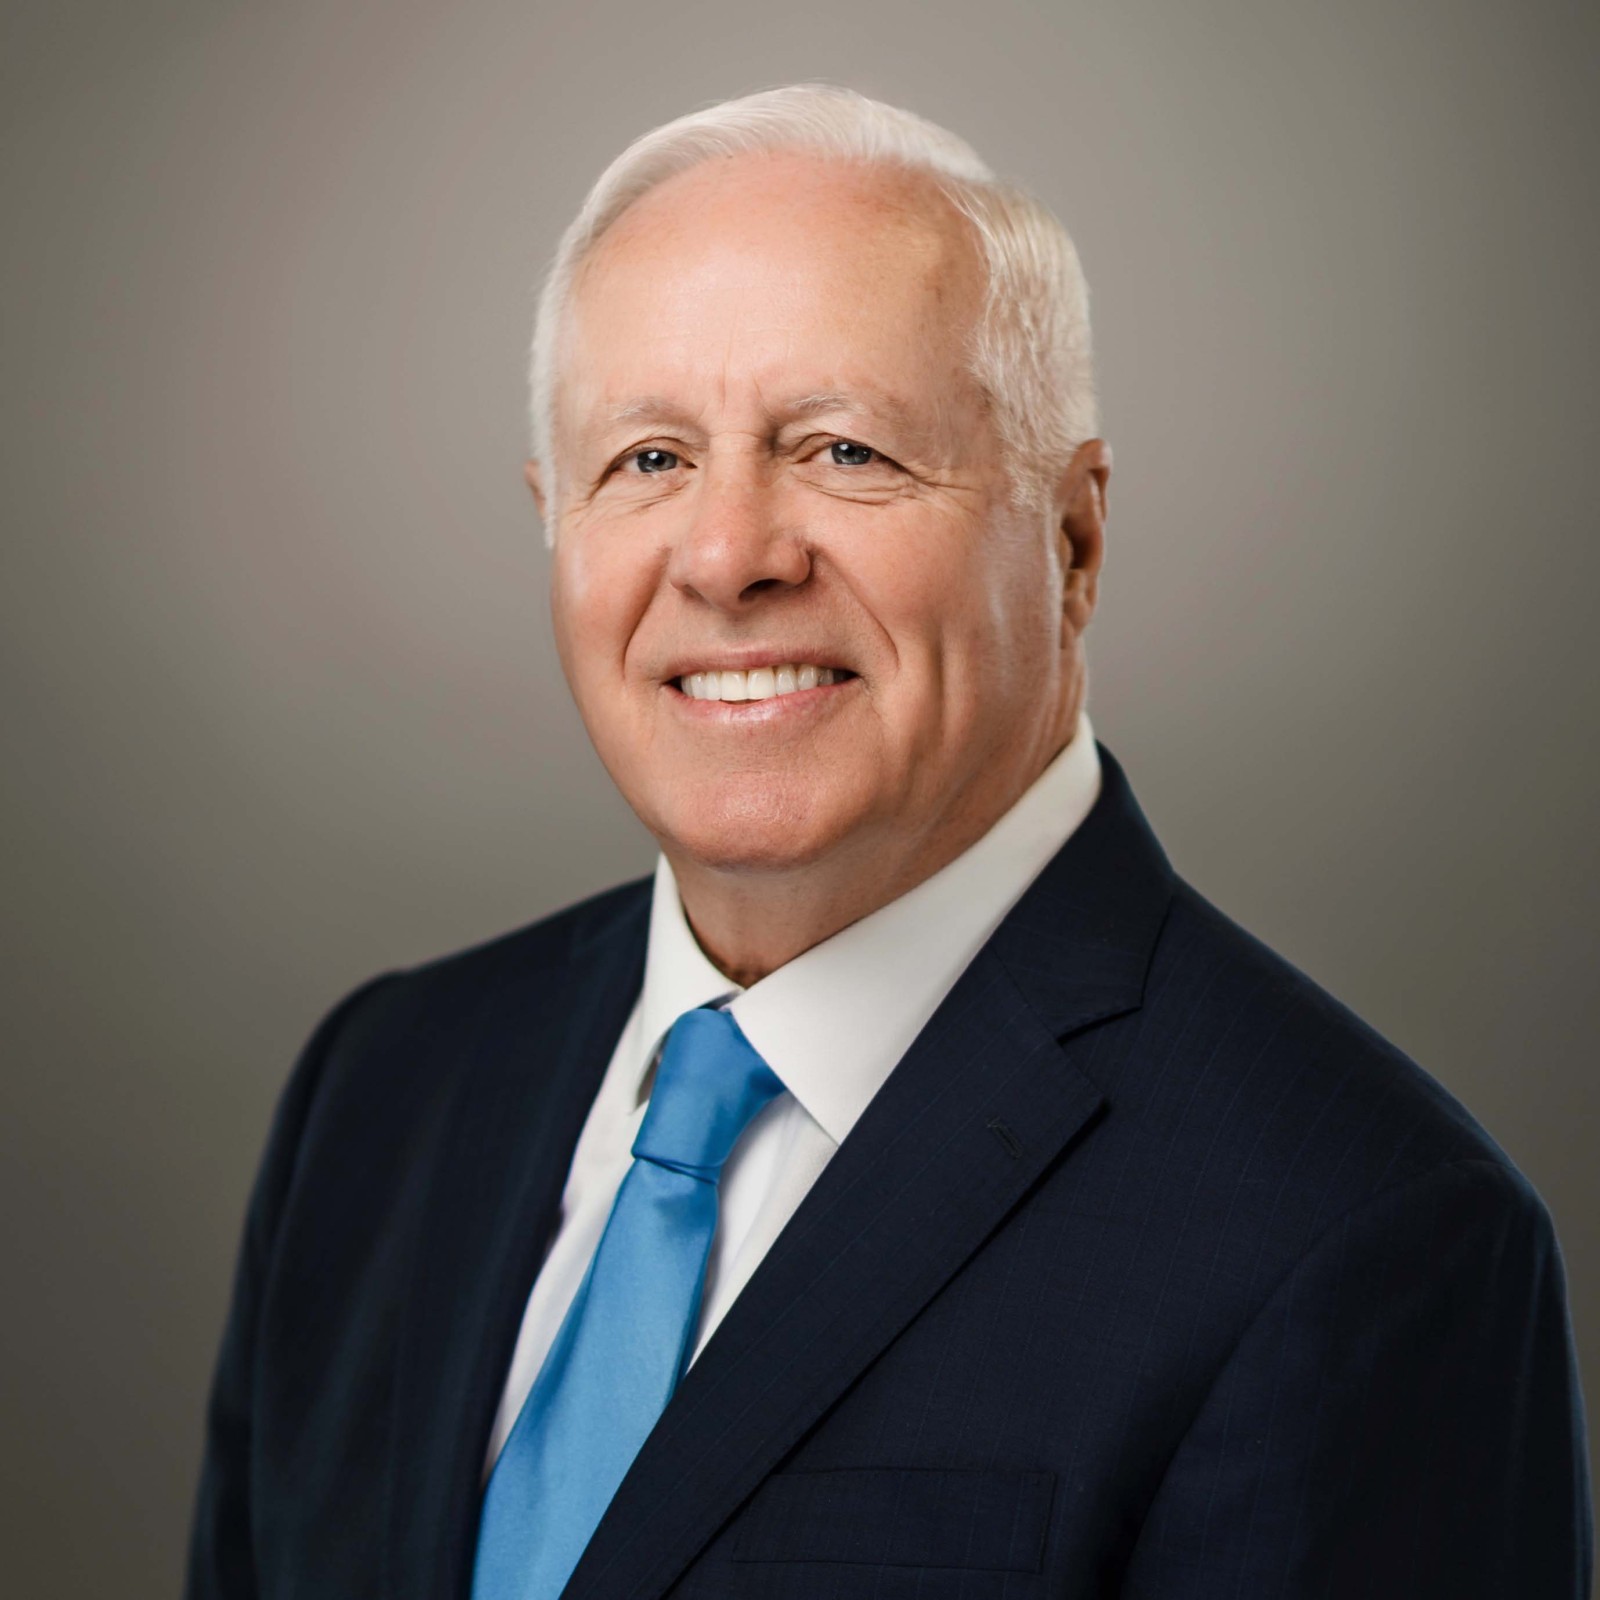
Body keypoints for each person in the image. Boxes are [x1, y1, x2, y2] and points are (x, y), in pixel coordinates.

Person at [184, 84, 1592, 1599]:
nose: (727, 557)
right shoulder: (383, 1093)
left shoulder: (1365, 1240)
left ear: (1075, 536)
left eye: (845, 450)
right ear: (554, 520)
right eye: (647, 460)